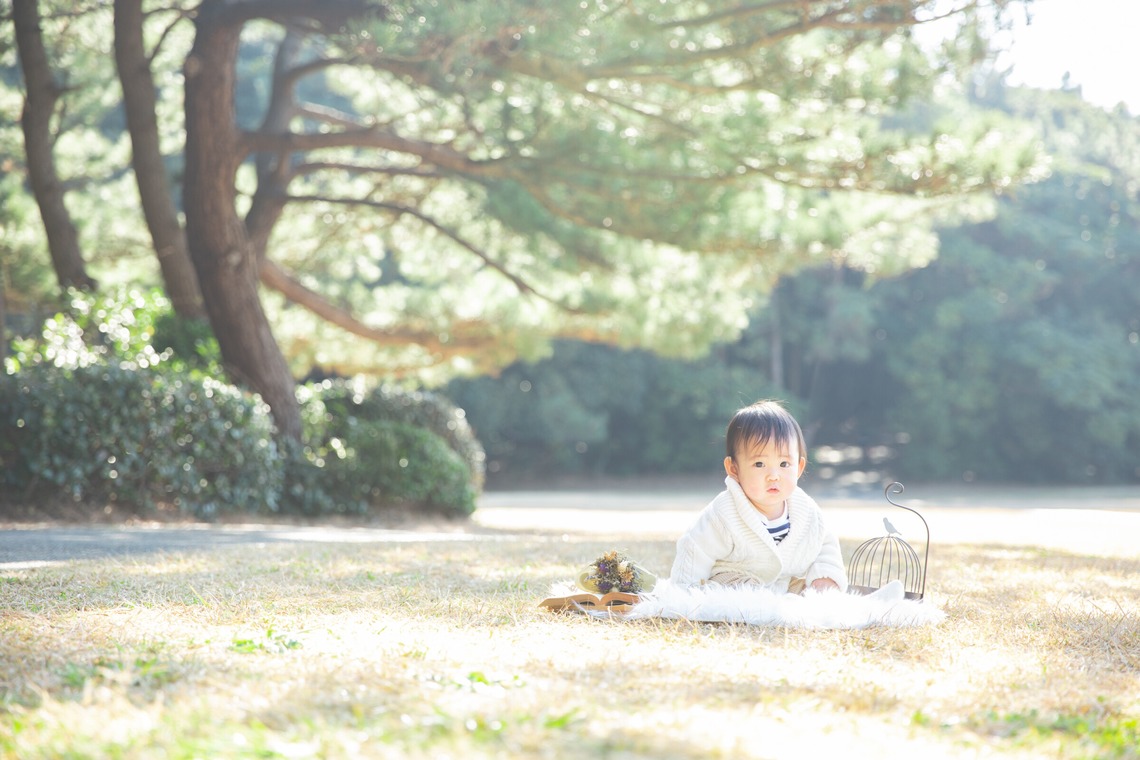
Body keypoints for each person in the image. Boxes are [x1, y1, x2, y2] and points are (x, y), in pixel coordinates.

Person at [669, 400, 848, 594]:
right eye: (759, 464)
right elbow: (695, 548)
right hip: (733, 578)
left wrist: (825, 577)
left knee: (808, 590)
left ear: (799, 467)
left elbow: (825, 544)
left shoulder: (807, 512)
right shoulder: (724, 513)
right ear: (734, 469)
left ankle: (792, 603)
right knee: (739, 590)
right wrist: (684, 592)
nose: (773, 475)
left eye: (784, 464)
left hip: (781, 584)